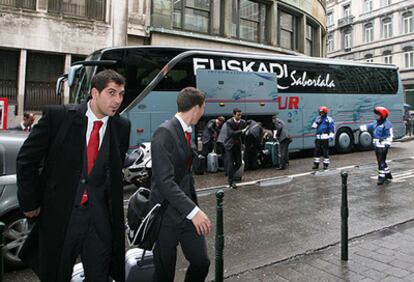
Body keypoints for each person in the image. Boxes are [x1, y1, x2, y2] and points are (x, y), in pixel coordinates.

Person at [16, 69, 131, 282]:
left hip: (100, 221)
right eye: (112, 93)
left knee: (100, 276)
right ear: (94, 93)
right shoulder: (59, 117)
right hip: (62, 217)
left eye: (121, 94)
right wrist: (30, 202)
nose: (117, 100)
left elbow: (113, 172)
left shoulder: (122, 126)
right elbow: (26, 160)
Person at [150, 87, 212, 282]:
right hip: (166, 216)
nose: (203, 112)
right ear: (196, 108)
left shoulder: (187, 131)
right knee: (164, 273)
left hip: (185, 213)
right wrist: (194, 212)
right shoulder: (164, 132)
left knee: (201, 262)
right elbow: (165, 182)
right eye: (203, 108)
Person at [360, 106, 393, 185]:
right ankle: (388, 174)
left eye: (378, 115)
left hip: (383, 145)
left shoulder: (387, 124)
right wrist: (358, 128)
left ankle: (381, 177)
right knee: (380, 161)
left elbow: (390, 136)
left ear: (383, 115)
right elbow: (368, 126)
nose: (376, 116)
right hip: (377, 145)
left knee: (381, 161)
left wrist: (387, 145)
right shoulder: (376, 123)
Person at [223, 108, 247, 189]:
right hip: (229, 145)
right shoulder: (229, 122)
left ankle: (230, 174)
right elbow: (231, 133)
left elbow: (243, 135)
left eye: (241, 115)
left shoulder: (243, 122)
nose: (240, 116)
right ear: (234, 115)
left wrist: (243, 143)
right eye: (238, 115)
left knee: (239, 163)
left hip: (237, 145)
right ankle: (231, 182)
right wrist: (242, 131)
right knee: (230, 164)